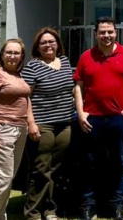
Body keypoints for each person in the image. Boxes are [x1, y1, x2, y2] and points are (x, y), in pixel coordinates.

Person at [74, 17, 123, 220]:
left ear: (116, 33)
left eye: (110, 32)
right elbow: (78, 86)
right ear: (95, 34)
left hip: (117, 118)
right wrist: (80, 112)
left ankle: (116, 206)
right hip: (91, 120)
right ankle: (88, 206)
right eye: (102, 32)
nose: (106, 35)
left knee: (118, 164)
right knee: (89, 164)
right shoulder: (86, 57)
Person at [21, 27, 74, 220]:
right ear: (37, 46)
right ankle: (32, 212)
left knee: (56, 169)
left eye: (51, 41)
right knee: (40, 169)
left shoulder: (66, 62)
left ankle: (50, 210)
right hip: (43, 124)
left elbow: (72, 88)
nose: (48, 45)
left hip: (64, 124)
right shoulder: (32, 67)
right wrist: (31, 124)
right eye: (43, 43)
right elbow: (25, 98)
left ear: (58, 44)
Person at [0, 38, 33, 220]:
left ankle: (0, 216)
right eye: (9, 52)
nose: (12, 56)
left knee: (9, 177)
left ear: (21, 57)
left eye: (16, 53)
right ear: (2, 55)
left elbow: (26, 100)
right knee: (3, 179)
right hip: (3, 129)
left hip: (21, 130)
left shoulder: (19, 76)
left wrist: (31, 123)